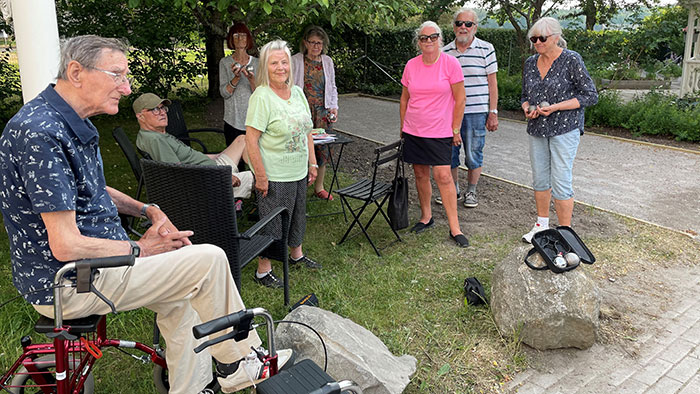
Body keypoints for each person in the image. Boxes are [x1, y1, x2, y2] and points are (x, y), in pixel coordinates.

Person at [0, 35, 290, 394]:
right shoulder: (40, 134)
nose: (127, 86)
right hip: (69, 281)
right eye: (117, 75)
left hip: (97, 262)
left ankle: (192, 388)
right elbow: (65, 244)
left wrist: (148, 209)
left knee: (185, 294)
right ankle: (237, 362)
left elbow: (93, 188)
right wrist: (141, 250)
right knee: (210, 260)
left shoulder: (73, 120)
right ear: (76, 72)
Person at [133, 93, 287, 290]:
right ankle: (260, 196)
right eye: (154, 109)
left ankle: (255, 179)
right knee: (269, 181)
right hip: (209, 182)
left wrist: (216, 157)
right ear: (140, 116)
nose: (162, 112)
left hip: (210, 169)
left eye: (163, 108)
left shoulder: (156, 135)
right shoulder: (155, 140)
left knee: (242, 139)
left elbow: (187, 158)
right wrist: (221, 173)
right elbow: (179, 172)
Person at [246, 39, 323, 274]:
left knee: (298, 215)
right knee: (273, 224)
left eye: (284, 62)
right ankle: (264, 269)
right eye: (274, 63)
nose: (280, 67)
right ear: (264, 68)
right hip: (275, 174)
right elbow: (251, 140)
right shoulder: (261, 96)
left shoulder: (298, 93)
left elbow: (307, 131)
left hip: (298, 170)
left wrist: (312, 163)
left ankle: (296, 254)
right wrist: (260, 175)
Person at [520, 17, 598, 243]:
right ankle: (541, 226)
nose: (537, 42)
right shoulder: (531, 62)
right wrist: (527, 108)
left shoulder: (571, 59)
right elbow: (525, 96)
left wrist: (556, 107)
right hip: (537, 128)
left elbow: (590, 96)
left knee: (561, 180)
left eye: (541, 38)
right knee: (540, 179)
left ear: (556, 37)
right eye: (533, 38)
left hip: (565, 128)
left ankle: (565, 233)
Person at [400, 21, 469, 248]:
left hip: (440, 131)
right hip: (414, 130)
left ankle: (455, 227)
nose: (428, 41)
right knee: (420, 174)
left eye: (433, 37)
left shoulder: (451, 64)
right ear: (417, 42)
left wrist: (456, 128)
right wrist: (403, 127)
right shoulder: (411, 65)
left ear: (440, 38)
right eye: (423, 38)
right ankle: (426, 217)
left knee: (443, 176)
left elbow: (460, 99)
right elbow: (405, 98)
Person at [440, 8, 498, 209]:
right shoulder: (444, 52)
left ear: (475, 27)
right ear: (453, 26)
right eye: (459, 23)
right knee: (450, 153)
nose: (463, 27)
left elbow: (492, 84)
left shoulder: (486, 49)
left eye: (468, 24)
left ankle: (471, 191)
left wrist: (493, 112)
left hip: (476, 111)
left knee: (474, 153)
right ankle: (453, 189)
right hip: (451, 113)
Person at [291, 25, 339, 200]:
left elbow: (332, 86)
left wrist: (334, 106)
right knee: (302, 148)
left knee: (323, 150)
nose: (316, 46)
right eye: (312, 43)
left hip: (323, 112)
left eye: (319, 43)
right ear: (305, 43)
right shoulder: (296, 60)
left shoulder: (327, 61)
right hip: (302, 111)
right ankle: (300, 187)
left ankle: (319, 187)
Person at [219, 22, 257, 150]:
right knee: (235, 161)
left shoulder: (257, 63)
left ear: (248, 39)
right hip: (232, 120)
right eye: (236, 35)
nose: (240, 39)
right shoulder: (225, 63)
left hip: (254, 120)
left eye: (243, 35)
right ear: (231, 40)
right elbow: (224, 93)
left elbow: (260, 94)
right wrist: (236, 78)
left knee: (255, 160)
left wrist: (251, 79)